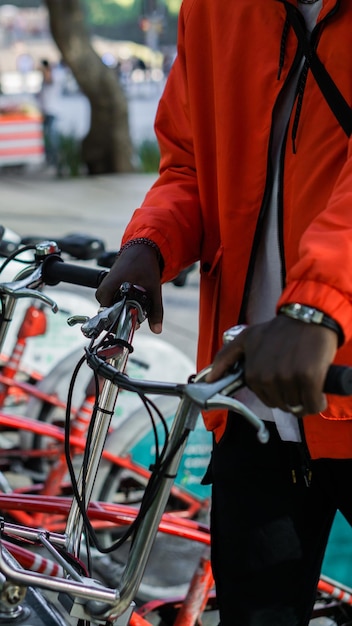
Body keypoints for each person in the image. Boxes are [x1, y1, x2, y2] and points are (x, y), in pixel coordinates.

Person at [96, 1, 352, 624]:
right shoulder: (214, 8)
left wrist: (319, 306)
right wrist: (151, 242)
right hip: (251, 402)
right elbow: (188, 157)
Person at [37, 59, 62, 167]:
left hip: (52, 111)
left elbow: (49, 80)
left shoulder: (54, 77)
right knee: (45, 137)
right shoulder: (43, 81)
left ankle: (55, 159)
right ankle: (49, 159)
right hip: (45, 112)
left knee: (52, 137)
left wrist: (46, 70)